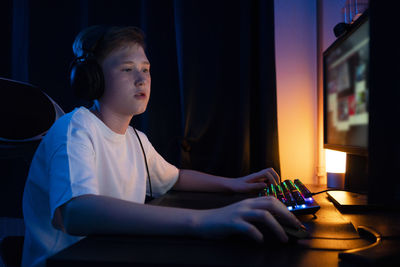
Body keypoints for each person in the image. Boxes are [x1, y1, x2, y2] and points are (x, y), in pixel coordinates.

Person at [21, 25, 303, 267]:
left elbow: (175, 177)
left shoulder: (136, 140)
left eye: (146, 69)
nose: (141, 78)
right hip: (63, 261)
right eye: (127, 69)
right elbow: (75, 213)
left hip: (107, 255)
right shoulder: (75, 129)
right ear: (92, 79)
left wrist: (236, 184)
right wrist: (201, 221)